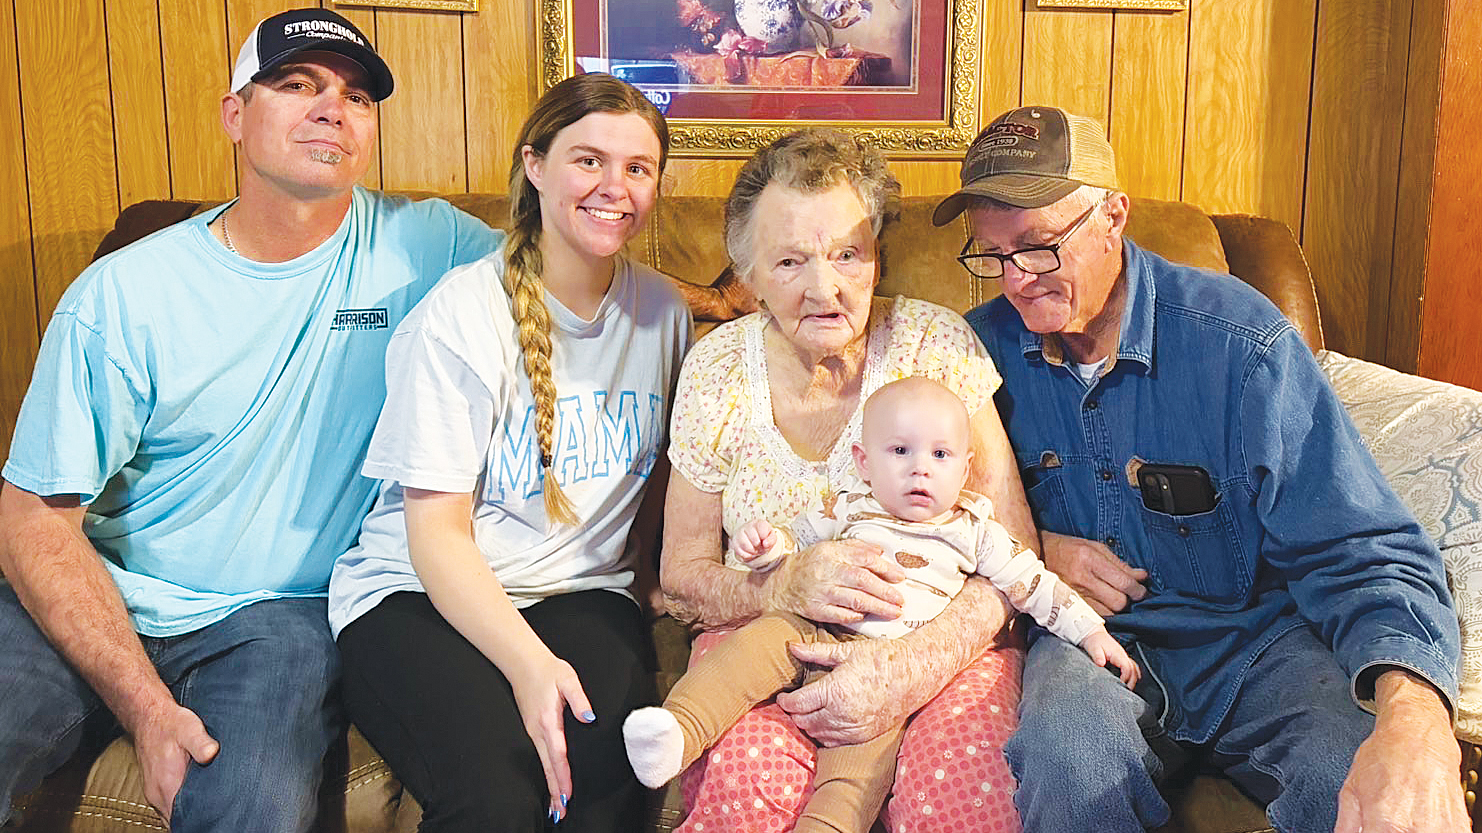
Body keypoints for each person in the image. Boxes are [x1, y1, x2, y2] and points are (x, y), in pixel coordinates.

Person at [0, 9, 504, 831]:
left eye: (355, 97)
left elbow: (569, 271)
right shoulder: (124, 295)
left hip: (281, 616)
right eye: (297, 84)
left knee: (256, 806)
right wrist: (148, 707)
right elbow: (32, 513)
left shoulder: (429, 245)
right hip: (103, 588)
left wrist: (716, 299)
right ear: (235, 115)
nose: (331, 108)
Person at [937, 105, 1467, 833]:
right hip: (1089, 640)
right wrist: (1036, 551)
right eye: (992, 255)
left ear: (1113, 217)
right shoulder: (972, 354)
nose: (1016, 280)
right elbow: (927, 518)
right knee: (1070, 763)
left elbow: (1362, 547)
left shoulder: (1241, 344)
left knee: (1360, 779)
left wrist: (1416, 721)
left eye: (1038, 247)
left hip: (1257, 638)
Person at [328, 72, 692, 832]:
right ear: (535, 165)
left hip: (584, 592)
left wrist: (654, 570)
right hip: (420, 596)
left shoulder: (663, 309)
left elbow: (661, 462)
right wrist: (530, 666)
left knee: (599, 794)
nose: (613, 187)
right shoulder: (460, 317)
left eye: (638, 167)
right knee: (497, 802)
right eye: (587, 160)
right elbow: (435, 536)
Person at [660, 127, 1035, 832]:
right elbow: (681, 573)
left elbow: (1014, 549)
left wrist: (910, 667)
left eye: (846, 255)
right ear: (749, 274)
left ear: (876, 257)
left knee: (958, 799)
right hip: (775, 648)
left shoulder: (937, 341)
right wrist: (780, 583)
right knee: (745, 789)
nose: (824, 287)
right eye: (790, 261)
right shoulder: (715, 370)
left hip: (939, 643)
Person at [627, 376, 1132, 832]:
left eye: (941, 455)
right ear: (865, 462)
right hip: (812, 631)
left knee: (858, 772)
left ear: (965, 466)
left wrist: (1091, 633)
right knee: (751, 647)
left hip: (886, 674)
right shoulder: (850, 505)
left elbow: (1036, 586)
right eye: (900, 451)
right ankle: (678, 730)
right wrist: (767, 548)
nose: (920, 470)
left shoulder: (976, 530)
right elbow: (795, 542)